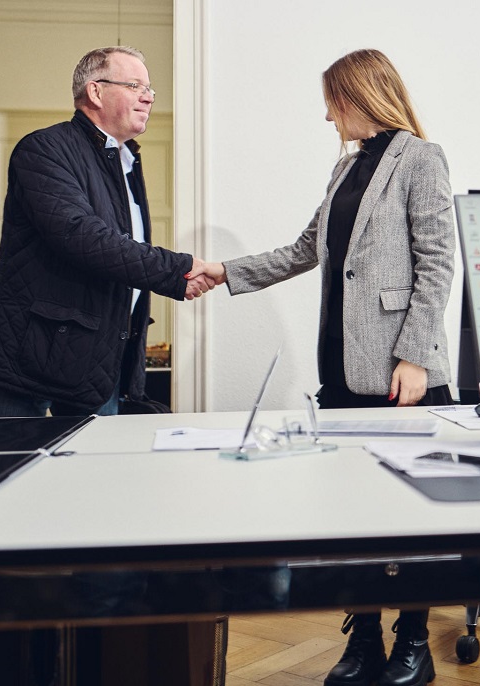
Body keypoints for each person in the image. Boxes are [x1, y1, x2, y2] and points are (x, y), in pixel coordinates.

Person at [194, 49, 455, 686]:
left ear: (363, 95)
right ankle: (364, 636)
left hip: (401, 373)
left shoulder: (420, 159)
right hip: (341, 369)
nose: (328, 113)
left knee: (408, 514)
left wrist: (416, 355)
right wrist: (229, 272)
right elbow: (307, 249)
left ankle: (413, 640)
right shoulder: (344, 170)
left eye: (334, 99)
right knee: (354, 514)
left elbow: (438, 262)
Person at [0, 46, 215, 418]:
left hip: (99, 366)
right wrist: (178, 270)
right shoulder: (44, 148)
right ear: (96, 92)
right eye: (135, 85)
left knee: (96, 476)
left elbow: (121, 253)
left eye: (150, 89)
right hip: (26, 364)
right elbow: (83, 237)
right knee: (8, 474)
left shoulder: (127, 162)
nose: (148, 96)